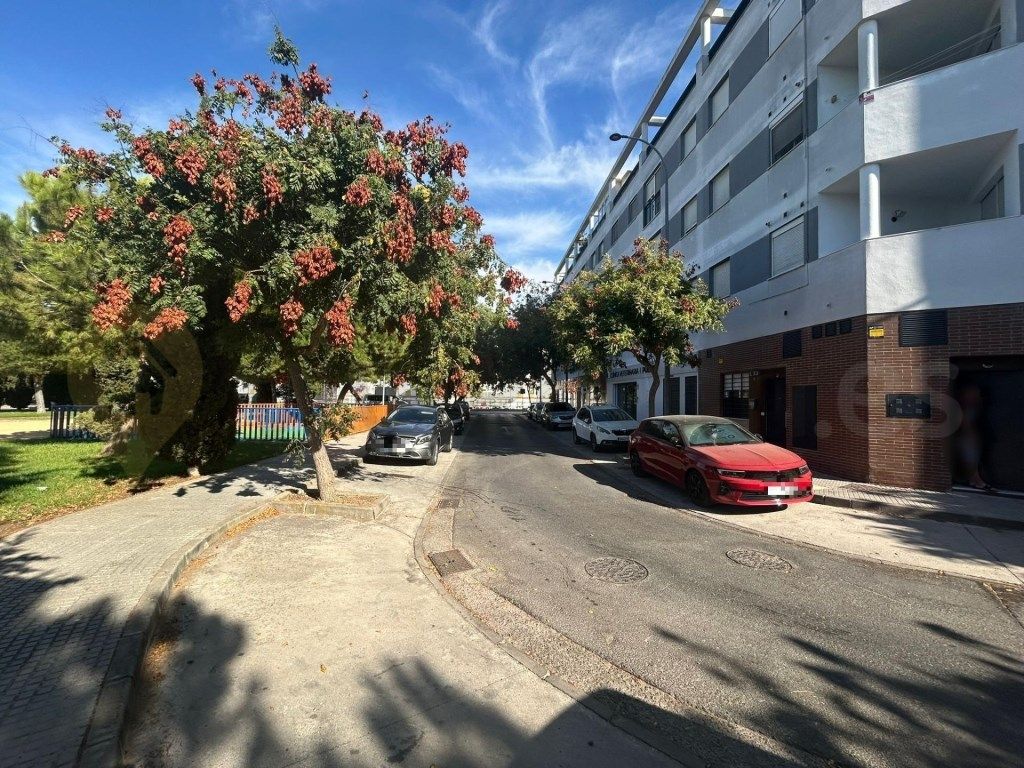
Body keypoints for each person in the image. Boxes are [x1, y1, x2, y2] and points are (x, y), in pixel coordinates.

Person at [954, 383, 994, 492]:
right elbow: (965, 425)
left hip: (972, 438)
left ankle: (974, 480)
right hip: (966, 439)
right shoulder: (964, 409)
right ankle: (977, 481)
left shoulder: (973, 407)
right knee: (971, 460)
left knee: (974, 460)